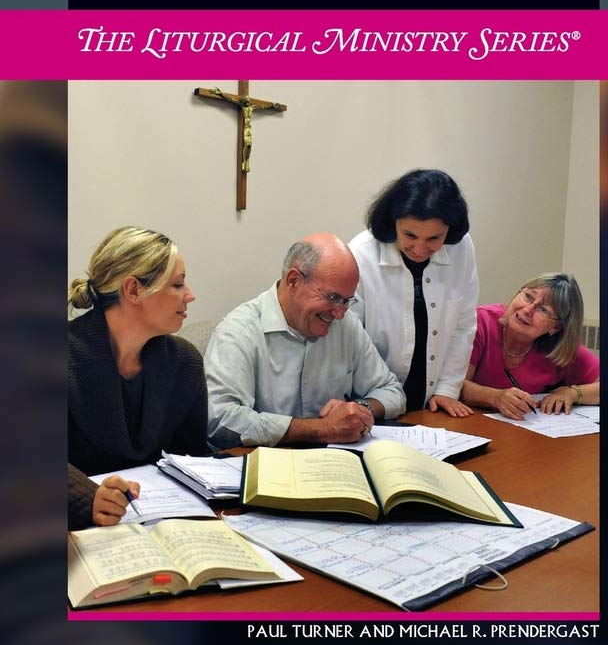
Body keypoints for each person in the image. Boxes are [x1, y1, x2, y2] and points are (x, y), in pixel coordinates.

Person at [205, 232, 406, 448]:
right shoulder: (239, 332)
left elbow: (392, 390)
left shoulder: (346, 325)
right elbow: (220, 419)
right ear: (293, 281)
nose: (339, 313)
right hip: (264, 468)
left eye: (347, 300)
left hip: (333, 463)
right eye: (332, 298)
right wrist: (322, 429)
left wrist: (359, 410)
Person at [68, 226, 209, 529]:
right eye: (178, 284)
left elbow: (193, 460)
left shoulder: (185, 362)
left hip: (163, 525)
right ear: (133, 290)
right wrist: (85, 498)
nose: (190, 295)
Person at [348, 169, 479, 416]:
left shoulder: (461, 249)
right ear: (392, 221)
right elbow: (349, 339)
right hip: (370, 398)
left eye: (434, 238)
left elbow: (463, 324)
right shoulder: (360, 254)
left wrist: (447, 389)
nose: (420, 249)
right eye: (409, 235)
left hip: (431, 403)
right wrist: (377, 403)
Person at [461, 273, 600, 420]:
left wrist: (573, 393)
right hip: (468, 424)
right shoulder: (480, 322)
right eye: (528, 296)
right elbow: (454, 385)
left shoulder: (558, 346)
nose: (527, 310)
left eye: (544, 310)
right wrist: (495, 397)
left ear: (556, 327)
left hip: (524, 432)